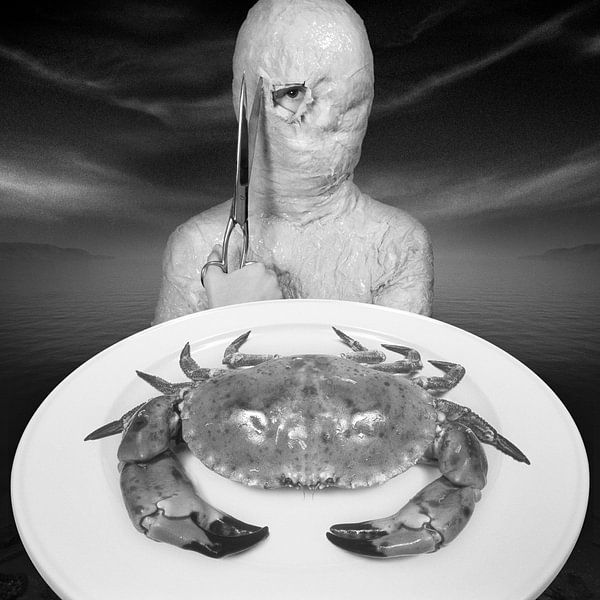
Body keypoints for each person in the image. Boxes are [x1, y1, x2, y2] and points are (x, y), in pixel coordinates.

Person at [153, 0, 433, 325]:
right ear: (244, 101)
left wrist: (242, 325)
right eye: (293, 94)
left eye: (350, 100)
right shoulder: (193, 247)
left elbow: (399, 358)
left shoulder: (396, 245)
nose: (328, 120)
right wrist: (234, 324)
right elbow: (163, 358)